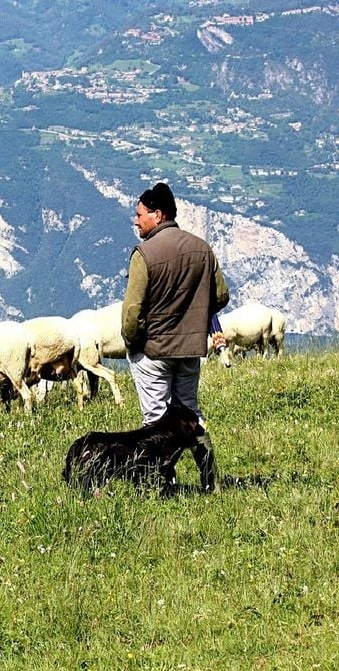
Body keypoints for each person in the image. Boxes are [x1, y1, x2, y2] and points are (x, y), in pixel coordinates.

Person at [121, 182, 230, 492]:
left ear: (158, 214)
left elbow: (132, 311)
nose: (136, 220)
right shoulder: (201, 248)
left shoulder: (145, 254)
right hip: (190, 349)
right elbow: (221, 296)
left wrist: (134, 341)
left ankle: (162, 482)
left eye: (140, 214)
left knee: (156, 419)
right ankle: (210, 477)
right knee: (191, 413)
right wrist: (193, 315)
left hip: (153, 351)